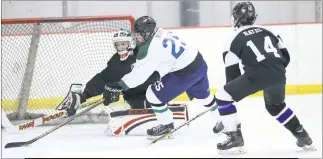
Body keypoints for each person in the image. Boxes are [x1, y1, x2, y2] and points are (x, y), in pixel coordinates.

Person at [210, 2, 314, 154]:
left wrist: (227, 109)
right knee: (276, 106)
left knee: (222, 97)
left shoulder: (232, 38)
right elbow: (286, 57)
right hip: (278, 73)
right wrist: (272, 72)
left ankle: (234, 136)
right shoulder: (269, 30)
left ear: (236, 18)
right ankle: (302, 135)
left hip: (255, 75)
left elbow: (232, 76)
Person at [56, 29, 189, 136]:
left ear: (131, 43)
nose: (120, 47)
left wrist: (119, 87)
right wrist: (84, 96)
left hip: (155, 87)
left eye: (123, 44)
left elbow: (154, 70)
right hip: (134, 94)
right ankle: (155, 114)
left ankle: (164, 116)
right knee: (138, 103)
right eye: (118, 44)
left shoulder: (143, 53)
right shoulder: (116, 62)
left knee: (152, 97)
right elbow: (103, 78)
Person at [103, 16, 218, 140]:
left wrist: (119, 86)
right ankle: (225, 119)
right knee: (204, 97)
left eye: (139, 34)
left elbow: (139, 76)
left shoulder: (150, 47)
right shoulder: (162, 32)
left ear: (147, 34)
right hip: (199, 64)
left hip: (185, 73)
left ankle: (166, 125)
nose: (137, 37)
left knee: (152, 95)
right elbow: (168, 57)